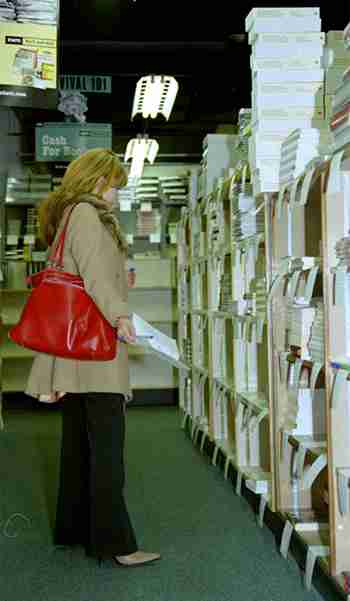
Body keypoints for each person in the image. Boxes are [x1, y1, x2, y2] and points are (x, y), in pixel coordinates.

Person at [25, 148, 161, 568]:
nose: (118, 195)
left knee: (79, 445)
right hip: (94, 350)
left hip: (75, 351)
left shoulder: (70, 215)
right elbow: (97, 278)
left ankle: (75, 529)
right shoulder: (87, 214)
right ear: (97, 181)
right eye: (115, 185)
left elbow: (90, 272)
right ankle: (117, 544)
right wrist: (121, 316)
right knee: (106, 447)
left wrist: (120, 278)